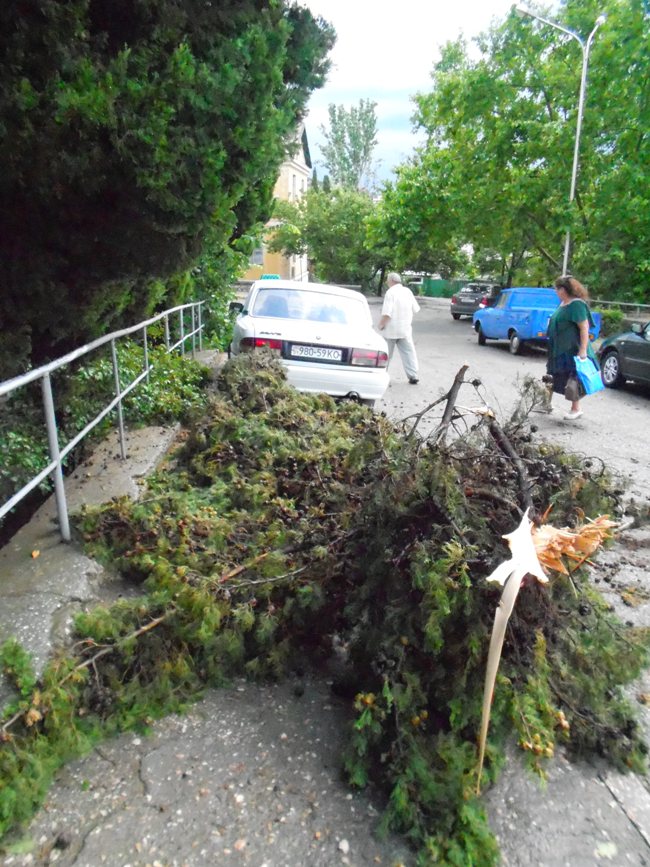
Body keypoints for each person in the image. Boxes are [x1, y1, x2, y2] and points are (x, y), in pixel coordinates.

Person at [546, 275, 598, 421]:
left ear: (563, 289)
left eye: (557, 289)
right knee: (553, 375)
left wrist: (583, 349)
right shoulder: (563, 304)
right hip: (559, 348)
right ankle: (545, 403)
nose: (556, 292)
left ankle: (576, 409)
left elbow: (584, 328)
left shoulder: (577, 305)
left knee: (573, 380)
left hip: (572, 348)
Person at [378, 272, 420, 384]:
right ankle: (413, 375)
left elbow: (387, 313)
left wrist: (381, 325)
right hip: (405, 330)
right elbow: (416, 309)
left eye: (387, 280)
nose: (387, 282)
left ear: (391, 281)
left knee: (386, 354)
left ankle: (381, 374)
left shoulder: (390, 293)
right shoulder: (407, 291)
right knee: (409, 353)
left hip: (390, 330)